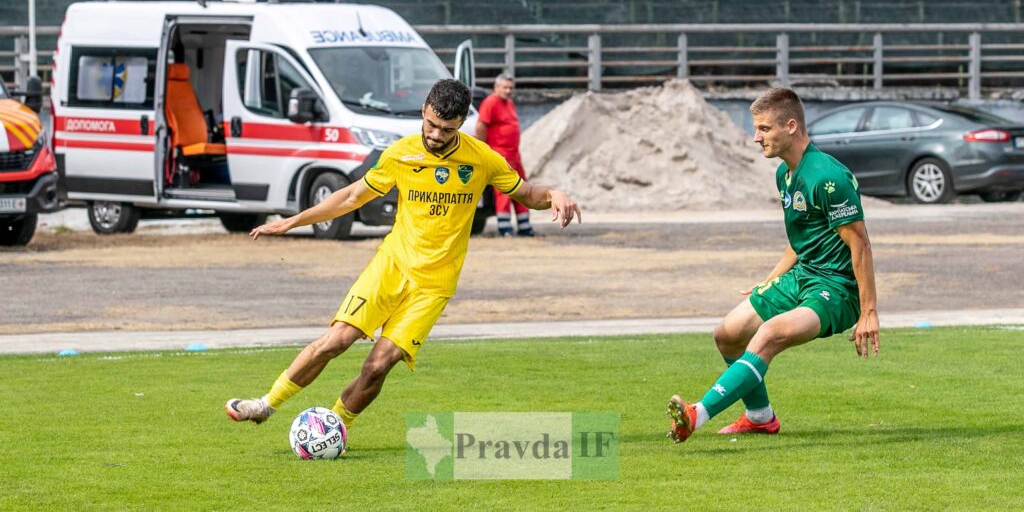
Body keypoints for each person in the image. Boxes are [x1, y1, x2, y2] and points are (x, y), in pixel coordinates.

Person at [225, 79, 582, 434]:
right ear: (423, 112)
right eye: (430, 124)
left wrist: (555, 193)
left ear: (460, 125)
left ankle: (333, 426)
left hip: (434, 285)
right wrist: (293, 222)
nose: (436, 135)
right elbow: (351, 197)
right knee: (336, 341)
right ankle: (266, 404)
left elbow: (527, 193)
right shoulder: (400, 154)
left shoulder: (482, 159)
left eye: (446, 129)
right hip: (391, 267)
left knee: (379, 364)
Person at [666, 87, 880, 443]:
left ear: (791, 126)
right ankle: (760, 418)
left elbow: (860, 244)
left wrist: (869, 312)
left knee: (767, 335)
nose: (756, 137)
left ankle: (695, 414)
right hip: (801, 277)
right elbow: (800, 243)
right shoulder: (785, 174)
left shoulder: (829, 177)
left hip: (837, 290)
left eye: (764, 128)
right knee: (728, 334)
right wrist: (768, 282)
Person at [475, 72, 533, 236]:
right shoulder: (491, 102)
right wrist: (483, 149)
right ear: (496, 87)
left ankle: (525, 227)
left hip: (514, 154)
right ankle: (505, 228)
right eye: (505, 87)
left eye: (510, 88)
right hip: (500, 153)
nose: (508, 91)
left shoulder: (509, 103)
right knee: (505, 190)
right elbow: (481, 126)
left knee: (523, 189)